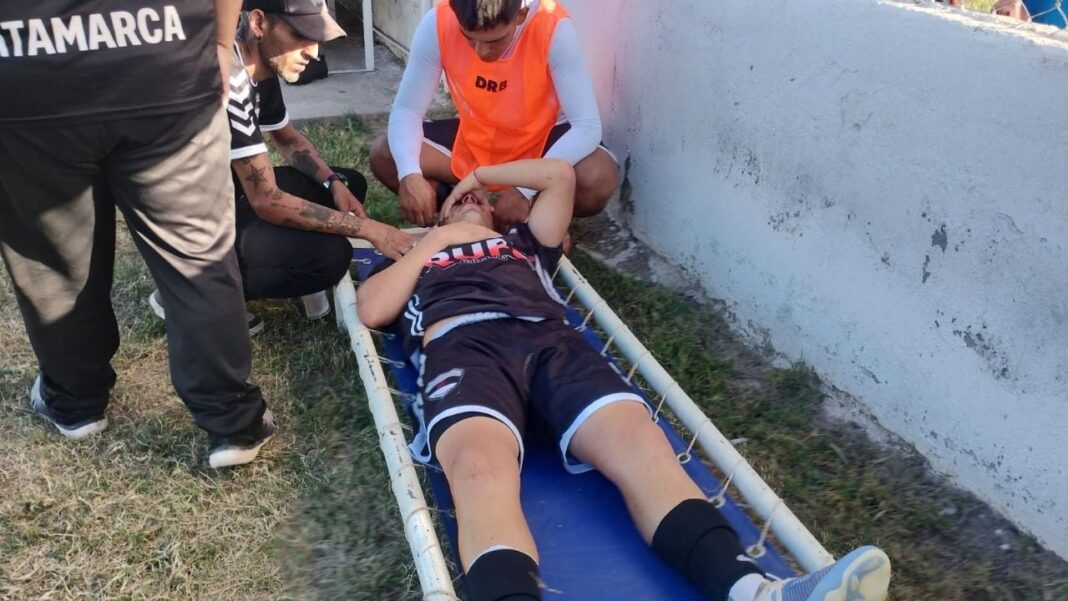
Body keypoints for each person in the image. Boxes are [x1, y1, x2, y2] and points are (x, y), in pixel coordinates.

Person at [356, 158, 893, 601]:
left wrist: (476, 178)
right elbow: (373, 308)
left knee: (641, 441)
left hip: (551, 342)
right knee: (477, 471)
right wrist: (437, 238)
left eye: (477, 198)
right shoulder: (416, 256)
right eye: (456, 197)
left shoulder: (524, 243)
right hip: (465, 347)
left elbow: (560, 178)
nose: (468, 199)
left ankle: (754, 592)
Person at [0, 0, 274, 468]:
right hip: (164, 52)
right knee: (197, 253)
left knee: (53, 257)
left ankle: (75, 401)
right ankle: (231, 419)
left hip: (28, 62)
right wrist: (222, 42)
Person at [148, 0, 415, 330]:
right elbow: (267, 200)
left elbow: (288, 140)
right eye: (301, 36)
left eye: (317, 39)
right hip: (192, 229)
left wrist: (333, 183)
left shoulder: (260, 63)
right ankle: (186, 292)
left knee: (348, 184)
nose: (313, 53)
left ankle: (270, 255)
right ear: (259, 23)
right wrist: (372, 230)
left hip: (230, 196)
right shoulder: (227, 80)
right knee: (330, 257)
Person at [369, 0, 620, 230]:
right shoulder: (438, 21)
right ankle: (462, 208)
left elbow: (586, 126)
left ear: (520, 16)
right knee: (387, 155)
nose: (480, 52)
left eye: (494, 41)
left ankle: (533, 211)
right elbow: (407, 110)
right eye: (469, 38)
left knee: (597, 177)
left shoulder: (553, 27)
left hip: (542, 139)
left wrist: (526, 189)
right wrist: (410, 174)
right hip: (477, 136)